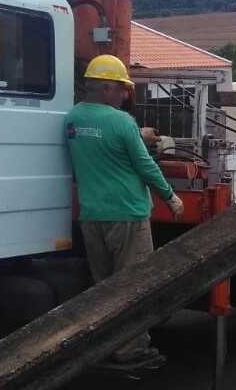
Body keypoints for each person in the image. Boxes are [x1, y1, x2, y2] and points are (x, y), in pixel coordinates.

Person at [66, 54, 184, 365]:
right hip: (127, 215)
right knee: (133, 286)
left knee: (104, 288)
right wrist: (170, 196)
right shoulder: (121, 122)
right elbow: (145, 166)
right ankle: (130, 348)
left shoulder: (72, 119)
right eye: (122, 89)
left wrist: (135, 135)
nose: (125, 95)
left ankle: (106, 345)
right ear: (106, 88)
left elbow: (97, 145)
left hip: (92, 216)